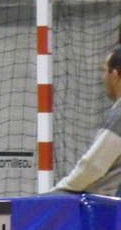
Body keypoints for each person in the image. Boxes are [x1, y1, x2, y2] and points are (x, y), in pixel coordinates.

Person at [51, 44, 121, 195]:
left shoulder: (119, 118)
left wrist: (54, 194)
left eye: (104, 71)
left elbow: (91, 168)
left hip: (109, 205)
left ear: (115, 75)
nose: (103, 78)